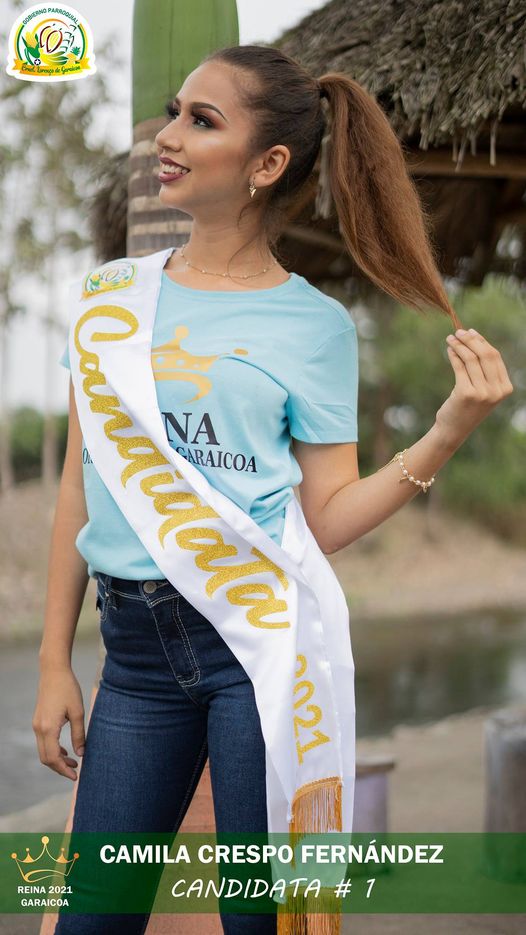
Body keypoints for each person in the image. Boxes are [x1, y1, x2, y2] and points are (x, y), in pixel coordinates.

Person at [33, 44, 513, 935]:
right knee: (92, 918)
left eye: (201, 121)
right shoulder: (109, 300)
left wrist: (446, 431)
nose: (168, 136)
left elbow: (326, 516)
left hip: (255, 650)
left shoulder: (315, 326)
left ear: (267, 164)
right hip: (132, 656)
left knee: (262, 918)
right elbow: (80, 488)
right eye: (174, 114)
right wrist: (55, 659)